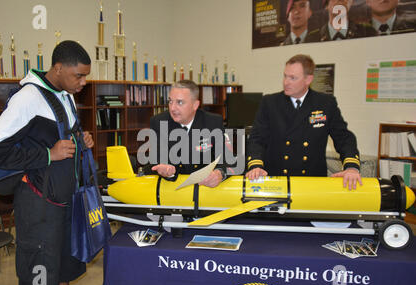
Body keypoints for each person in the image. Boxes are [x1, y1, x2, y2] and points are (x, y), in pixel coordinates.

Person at [0, 40, 94, 285]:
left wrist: (81, 140)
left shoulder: (66, 96)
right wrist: (48, 154)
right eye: (79, 75)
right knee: (40, 282)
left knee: (62, 272)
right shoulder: (28, 98)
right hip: (39, 209)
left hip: (65, 203)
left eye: (86, 76)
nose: (83, 82)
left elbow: (60, 138)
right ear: (58, 68)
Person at [246, 54, 362, 190]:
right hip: (277, 183)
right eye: (285, 76)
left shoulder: (325, 104)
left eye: (293, 78)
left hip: (311, 183)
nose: (286, 82)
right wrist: (255, 166)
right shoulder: (270, 103)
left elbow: (344, 138)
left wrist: (351, 167)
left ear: (308, 79)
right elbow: (257, 139)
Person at [146, 80, 227, 188]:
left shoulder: (212, 122)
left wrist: (219, 173)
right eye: (170, 101)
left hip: (205, 189)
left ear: (195, 105)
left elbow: (227, 157)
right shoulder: (159, 122)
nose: (172, 108)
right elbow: (157, 160)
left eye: (179, 102)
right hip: (172, 189)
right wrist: (167, 170)